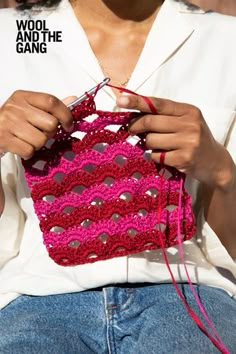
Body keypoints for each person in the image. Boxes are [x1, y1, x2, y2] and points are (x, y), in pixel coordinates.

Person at [0, 0, 235, 353]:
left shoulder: (225, 41)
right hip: (38, 295)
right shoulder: (9, 34)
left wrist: (220, 169)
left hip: (189, 295)